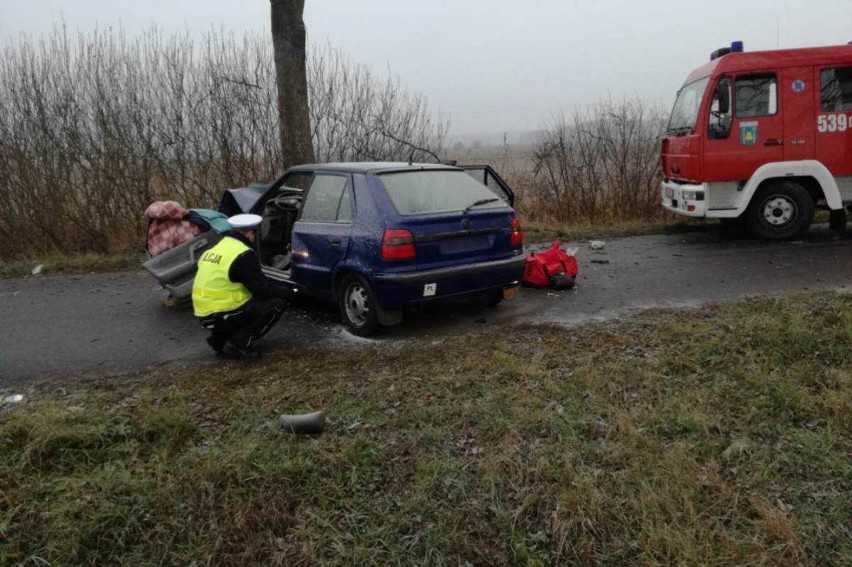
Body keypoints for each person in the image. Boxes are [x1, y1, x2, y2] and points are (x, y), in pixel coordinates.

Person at [192, 213, 291, 358]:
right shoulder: (243, 254)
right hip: (222, 312)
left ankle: (218, 340)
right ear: (250, 234)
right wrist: (287, 293)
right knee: (275, 304)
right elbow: (262, 290)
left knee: (247, 303)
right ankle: (239, 343)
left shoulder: (218, 247)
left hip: (204, 311)